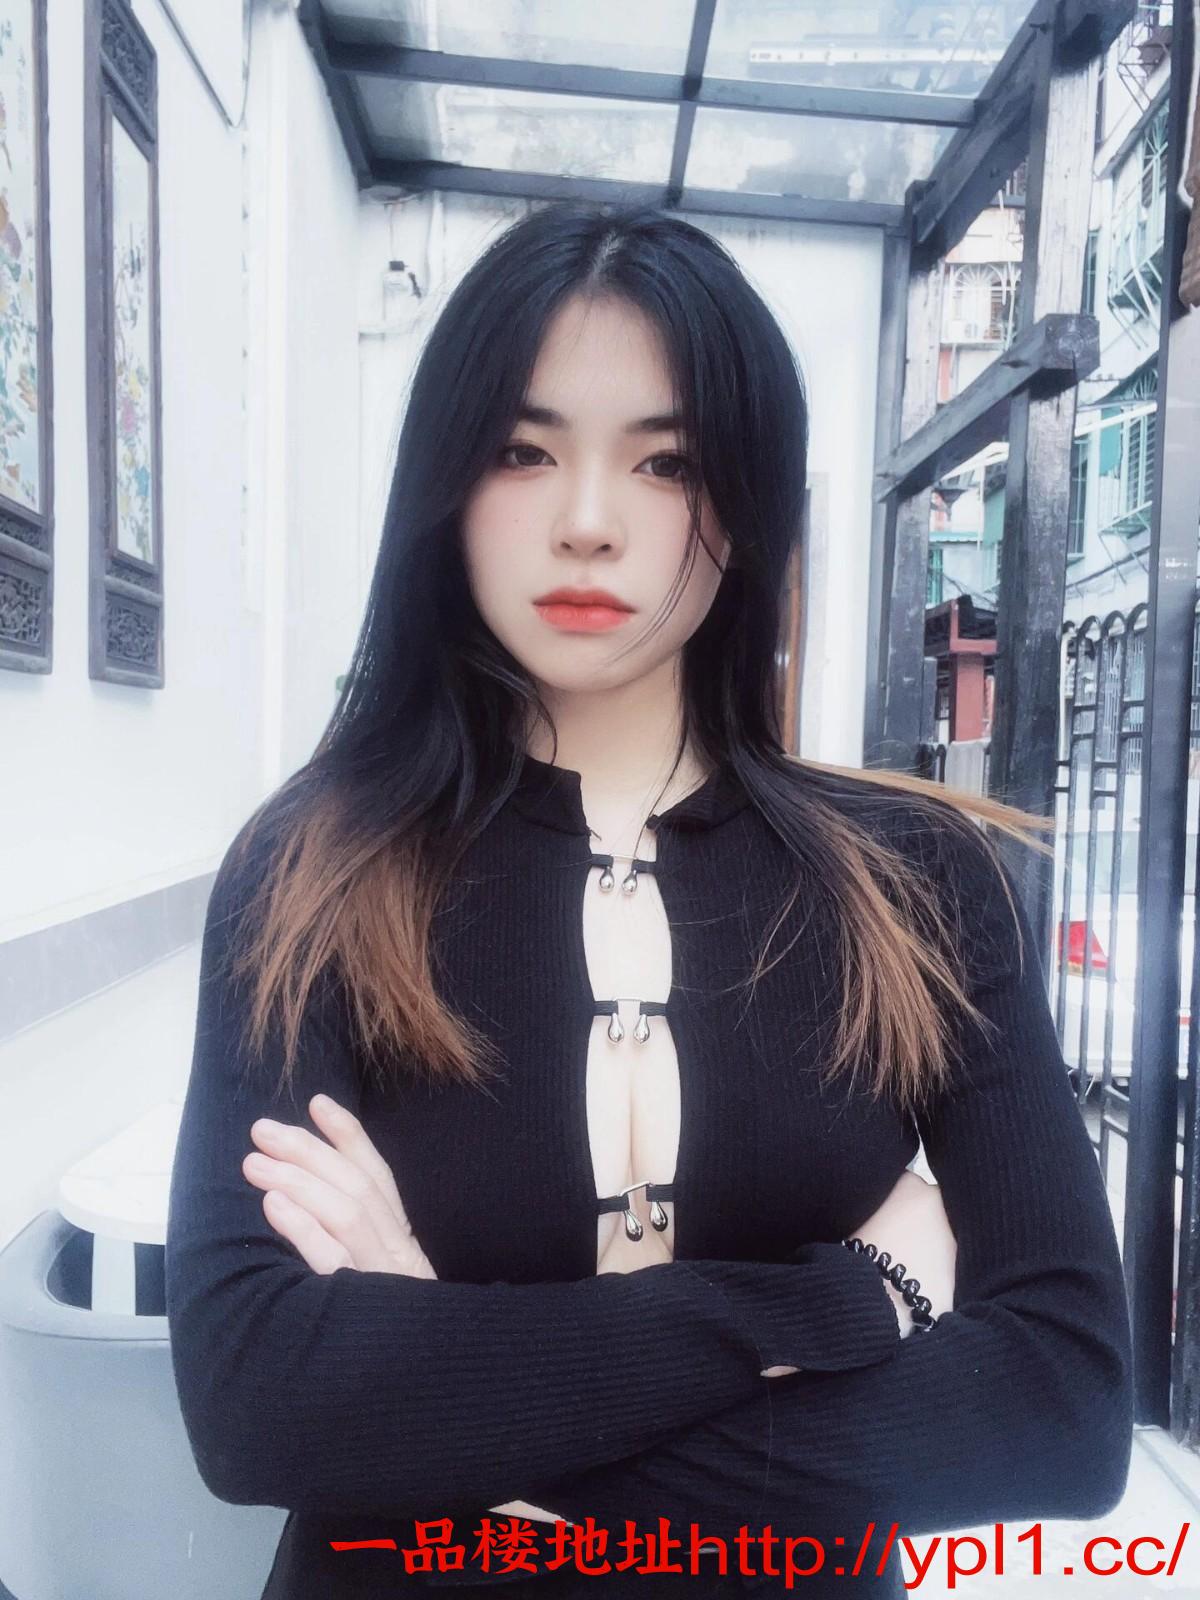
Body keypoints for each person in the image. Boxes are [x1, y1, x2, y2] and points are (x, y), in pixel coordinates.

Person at [164, 202, 1133, 1600]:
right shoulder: (314, 869)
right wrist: (844, 1301)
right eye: (523, 450)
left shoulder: (913, 880)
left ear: (746, 499)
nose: (587, 523)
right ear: (446, 480)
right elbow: (256, 1401)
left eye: (666, 461)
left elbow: (1063, 1408)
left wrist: (452, 1388)